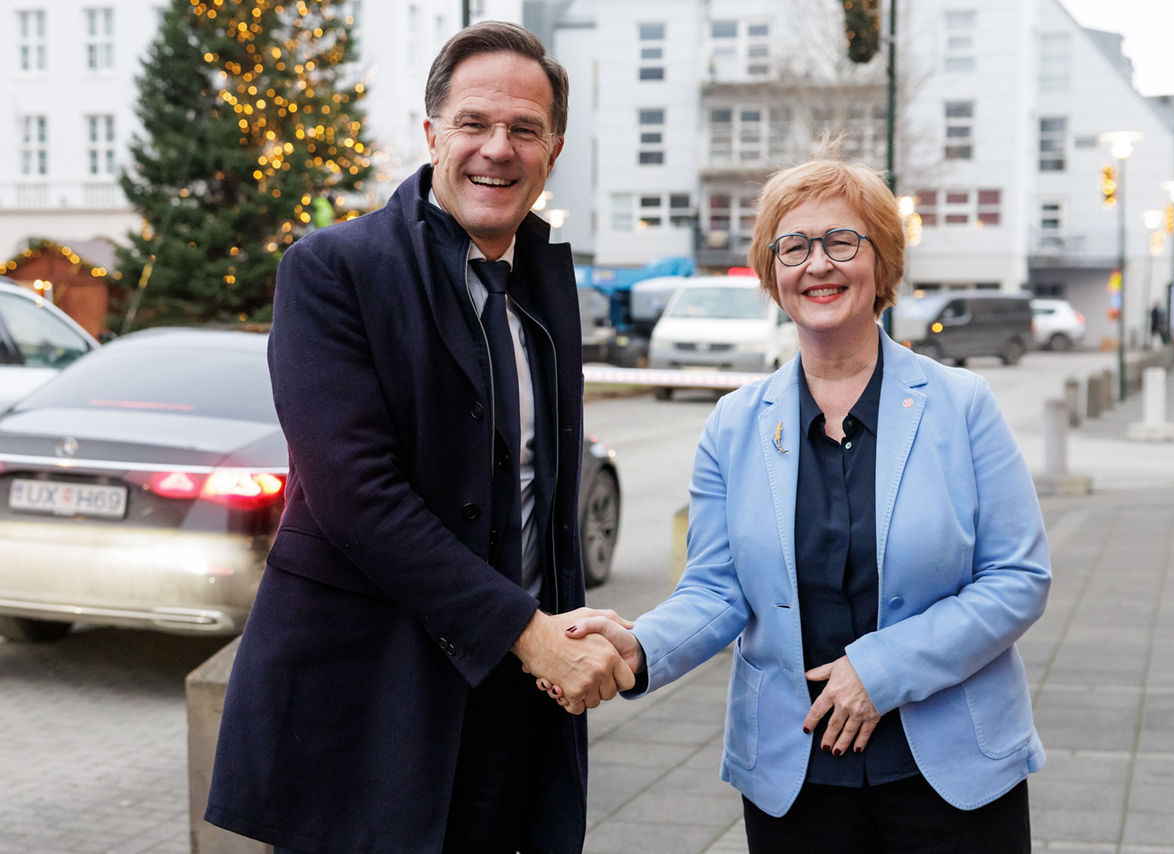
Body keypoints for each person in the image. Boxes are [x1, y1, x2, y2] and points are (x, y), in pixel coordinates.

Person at [204, 21, 633, 854]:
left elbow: (537, 492)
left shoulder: (543, 279)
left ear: (553, 150)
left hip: (516, 700)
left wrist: (568, 630)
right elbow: (355, 497)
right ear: (432, 133)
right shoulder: (333, 269)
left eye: (524, 130)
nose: (496, 149)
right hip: (373, 705)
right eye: (474, 123)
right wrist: (530, 631)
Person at [558, 158, 1052, 852]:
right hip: (797, 779)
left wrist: (879, 672)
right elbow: (717, 590)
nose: (817, 264)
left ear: (882, 263)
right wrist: (638, 648)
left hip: (954, 774)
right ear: (773, 274)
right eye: (793, 247)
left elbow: (1018, 578)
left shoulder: (962, 405)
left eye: (842, 241)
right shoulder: (733, 425)